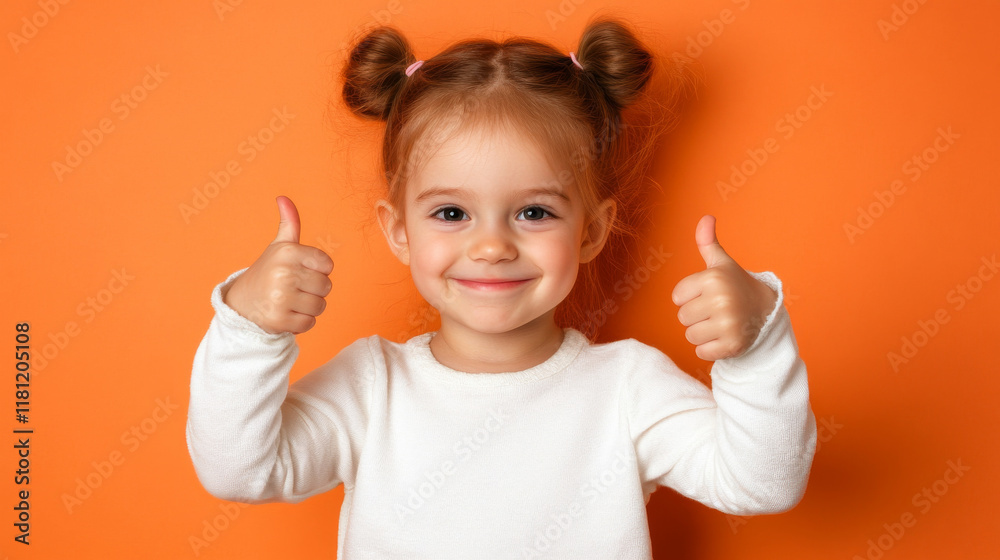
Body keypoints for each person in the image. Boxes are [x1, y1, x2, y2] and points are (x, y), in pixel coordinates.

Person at [186, 16, 817, 559]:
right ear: (399, 230)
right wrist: (248, 329)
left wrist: (759, 343)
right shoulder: (372, 386)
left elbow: (762, 483)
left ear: (592, 231)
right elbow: (240, 470)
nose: (491, 246)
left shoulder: (626, 386)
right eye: (452, 213)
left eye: (534, 212)